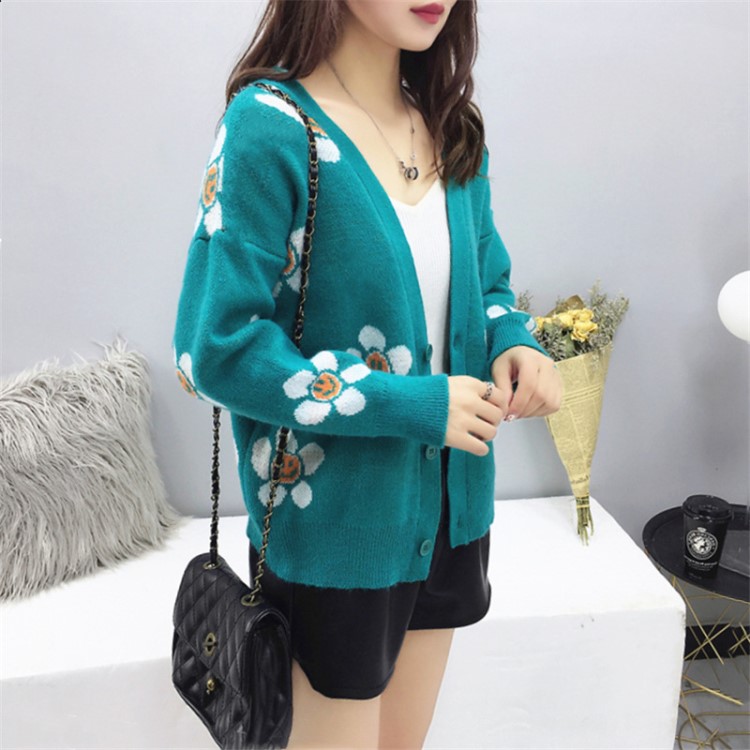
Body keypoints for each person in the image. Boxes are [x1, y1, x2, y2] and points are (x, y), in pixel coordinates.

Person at [172, 1, 563, 747]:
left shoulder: (451, 126)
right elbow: (214, 348)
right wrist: (410, 404)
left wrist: (516, 343)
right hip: (334, 534)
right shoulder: (271, 127)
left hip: (452, 518)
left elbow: (487, 287)